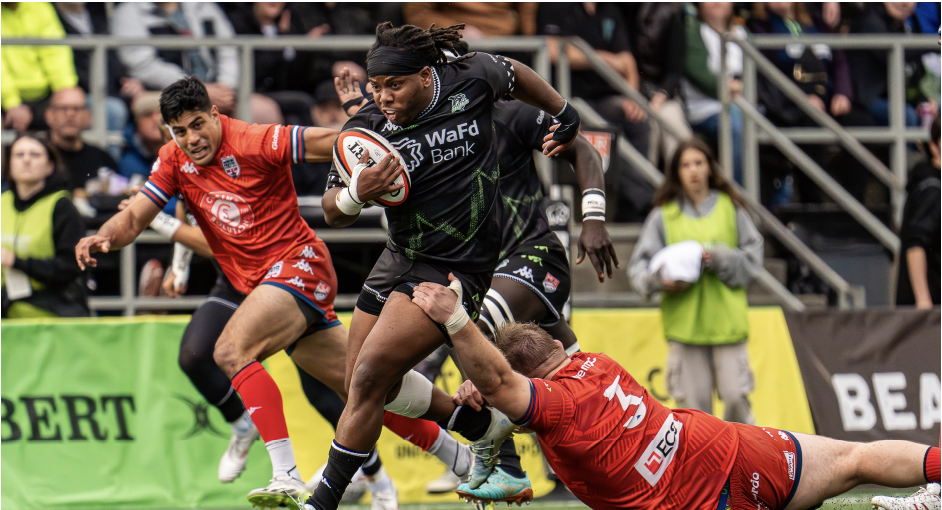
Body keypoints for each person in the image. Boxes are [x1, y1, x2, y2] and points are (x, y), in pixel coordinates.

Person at [76, 76, 468, 508]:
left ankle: (285, 473)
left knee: (228, 350)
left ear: (214, 115)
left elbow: (330, 142)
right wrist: (103, 237)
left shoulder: (255, 140)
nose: (191, 138)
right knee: (367, 386)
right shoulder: (172, 160)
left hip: (298, 265)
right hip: (254, 280)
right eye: (179, 130)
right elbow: (132, 218)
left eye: (197, 124)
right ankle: (467, 448)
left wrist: (370, 148)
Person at [306, 22, 583, 510]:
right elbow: (331, 209)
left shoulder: (470, 77)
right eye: (376, 87)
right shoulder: (366, 128)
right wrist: (357, 194)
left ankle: (322, 501)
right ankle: (482, 426)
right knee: (364, 384)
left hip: (459, 266)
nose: (384, 96)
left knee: (370, 376)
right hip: (399, 257)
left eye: (396, 84)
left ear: (427, 74)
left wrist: (563, 111)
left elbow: (516, 74)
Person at [409, 279, 942, 510]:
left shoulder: (556, 408)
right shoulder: (597, 364)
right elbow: (516, 381)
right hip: (733, 450)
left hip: (702, 502)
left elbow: (506, 390)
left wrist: (455, 319)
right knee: (856, 458)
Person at [628, 139, 762, 425]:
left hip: (728, 325)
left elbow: (754, 260)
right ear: (676, 171)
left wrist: (718, 258)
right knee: (693, 416)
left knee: (737, 398)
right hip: (685, 328)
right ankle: (702, 470)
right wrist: (660, 280)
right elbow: (637, 270)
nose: (693, 171)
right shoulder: (662, 215)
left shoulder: (731, 207)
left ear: (710, 168)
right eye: (685, 164)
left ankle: (744, 465)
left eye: (699, 163)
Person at [2, 133, 87, 318]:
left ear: (50, 166)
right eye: (19, 154)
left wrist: (16, 261)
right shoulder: (2, 203)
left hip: (50, 316)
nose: (26, 160)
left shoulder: (62, 206)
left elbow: (70, 267)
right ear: (9, 164)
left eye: (35, 155)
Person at [682, 2, 746, 183]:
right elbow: (702, 76)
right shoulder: (692, 30)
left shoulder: (742, 33)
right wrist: (737, 86)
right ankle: (737, 192)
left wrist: (738, 86)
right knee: (735, 122)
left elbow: (758, 74)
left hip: (744, 105)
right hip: (705, 110)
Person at [1, 2, 80, 132]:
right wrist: (11, 103)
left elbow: (55, 53)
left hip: (46, 95)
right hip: (5, 100)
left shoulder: (40, 7)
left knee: (77, 111)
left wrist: (64, 91)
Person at [43, 87, 120, 213]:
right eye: (63, 108)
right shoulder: (36, 156)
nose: (70, 114)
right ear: (49, 115)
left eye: (77, 109)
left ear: (88, 116)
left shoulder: (102, 158)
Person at [896, 117, 940, 308]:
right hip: (932, 315)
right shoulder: (932, 190)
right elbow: (915, 245)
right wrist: (923, 303)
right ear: (933, 147)